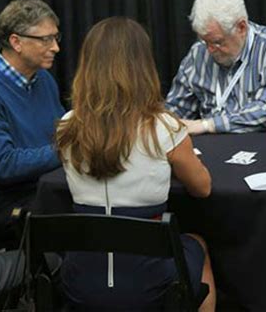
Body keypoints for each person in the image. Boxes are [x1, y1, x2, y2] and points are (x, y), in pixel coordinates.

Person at [55, 17, 216, 311]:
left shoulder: (66, 127)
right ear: (142, 67)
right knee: (197, 244)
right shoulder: (164, 127)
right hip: (152, 284)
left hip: (79, 282)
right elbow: (202, 188)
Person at [0, 0, 65, 252]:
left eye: (56, 37)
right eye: (45, 39)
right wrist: (66, 150)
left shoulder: (44, 80)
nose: (55, 48)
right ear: (16, 41)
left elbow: (62, 133)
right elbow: (3, 165)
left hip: (41, 188)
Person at [165, 0, 266, 134]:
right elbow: (176, 110)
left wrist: (207, 125)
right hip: (213, 147)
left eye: (218, 42)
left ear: (241, 28)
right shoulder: (198, 52)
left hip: (263, 144)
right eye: (205, 41)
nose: (210, 50)